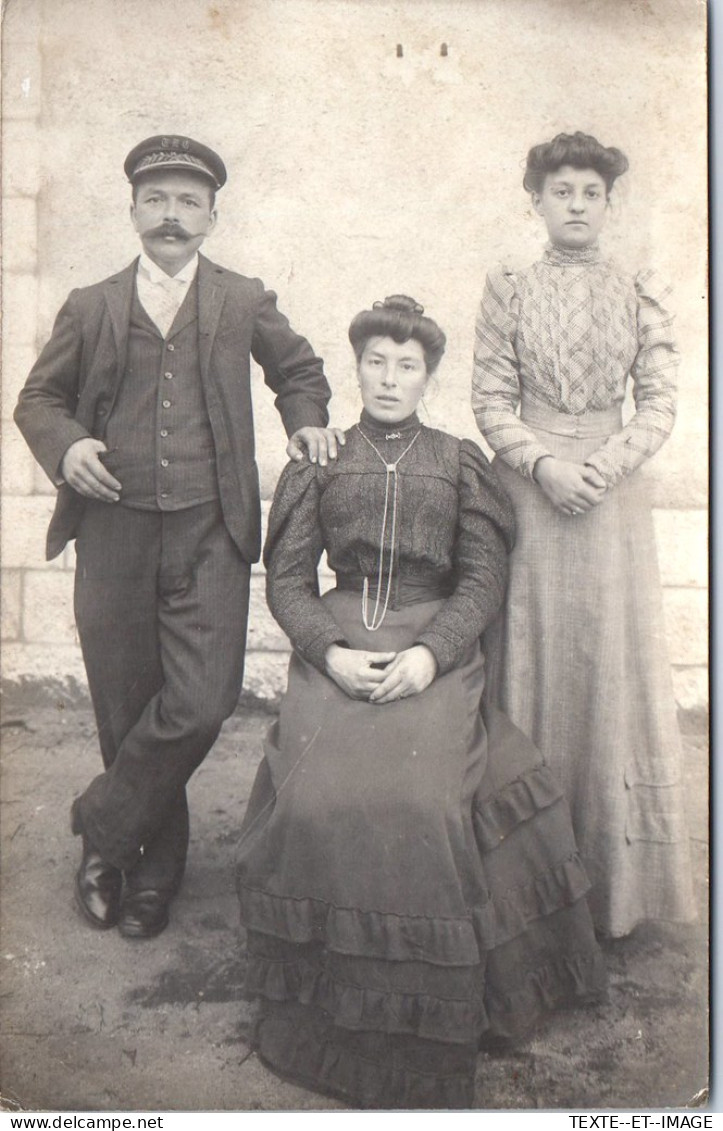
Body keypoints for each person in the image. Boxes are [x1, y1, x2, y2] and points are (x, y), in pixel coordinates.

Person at [236, 295, 606, 1109]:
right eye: (377, 362)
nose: (390, 377)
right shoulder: (319, 459)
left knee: (422, 798)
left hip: (433, 642)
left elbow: (481, 578)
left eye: (407, 365)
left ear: (427, 374)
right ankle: (322, 1013)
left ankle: (425, 1033)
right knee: (318, 797)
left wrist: (429, 655)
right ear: (357, 366)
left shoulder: (458, 460)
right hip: (337, 637)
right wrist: (328, 652)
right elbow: (291, 581)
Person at [14, 134, 342, 940]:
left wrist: (305, 425)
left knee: (202, 701)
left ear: (212, 216)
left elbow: (298, 372)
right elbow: (37, 400)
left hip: (210, 531)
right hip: (113, 532)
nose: (171, 215)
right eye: (156, 199)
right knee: (127, 709)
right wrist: (69, 445)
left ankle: (101, 824)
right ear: (132, 211)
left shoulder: (241, 299)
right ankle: (150, 874)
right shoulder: (91, 304)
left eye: (187, 201)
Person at [472, 131, 695, 939]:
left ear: (607, 204)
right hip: (531, 498)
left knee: (605, 668)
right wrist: (541, 465)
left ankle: (613, 893)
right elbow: (490, 397)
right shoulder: (507, 287)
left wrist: (599, 467)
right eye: (559, 190)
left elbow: (661, 401)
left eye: (589, 192)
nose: (575, 204)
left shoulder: (636, 286)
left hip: (609, 499)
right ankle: (530, 891)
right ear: (534, 200)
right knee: (529, 662)